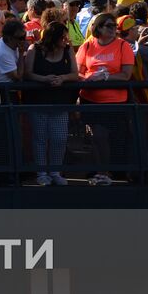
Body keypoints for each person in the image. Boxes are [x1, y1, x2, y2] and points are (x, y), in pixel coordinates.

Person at [75, 14, 134, 185]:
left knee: (114, 138)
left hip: (116, 101)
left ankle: (111, 172)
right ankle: (100, 171)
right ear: (98, 27)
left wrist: (106, 77)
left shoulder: (123, 46)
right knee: (96, 137)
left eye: (114, 26)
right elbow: (78, 71)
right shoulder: (87, 46)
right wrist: (88, 78)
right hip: (90, 99)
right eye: (109, 26)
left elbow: (126, 74)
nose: (113, 29)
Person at [22, 21, 79, 186]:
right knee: (40, 137)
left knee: (59, 138)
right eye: (62, 37)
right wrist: (44, 79)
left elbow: (75, 73)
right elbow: (28, 73)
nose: (66, 40)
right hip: (38, 101)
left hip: (60, 101)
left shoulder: (68, 50)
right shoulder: (35, 49)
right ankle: (41, 172)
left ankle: (55, 171)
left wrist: (62, 78)